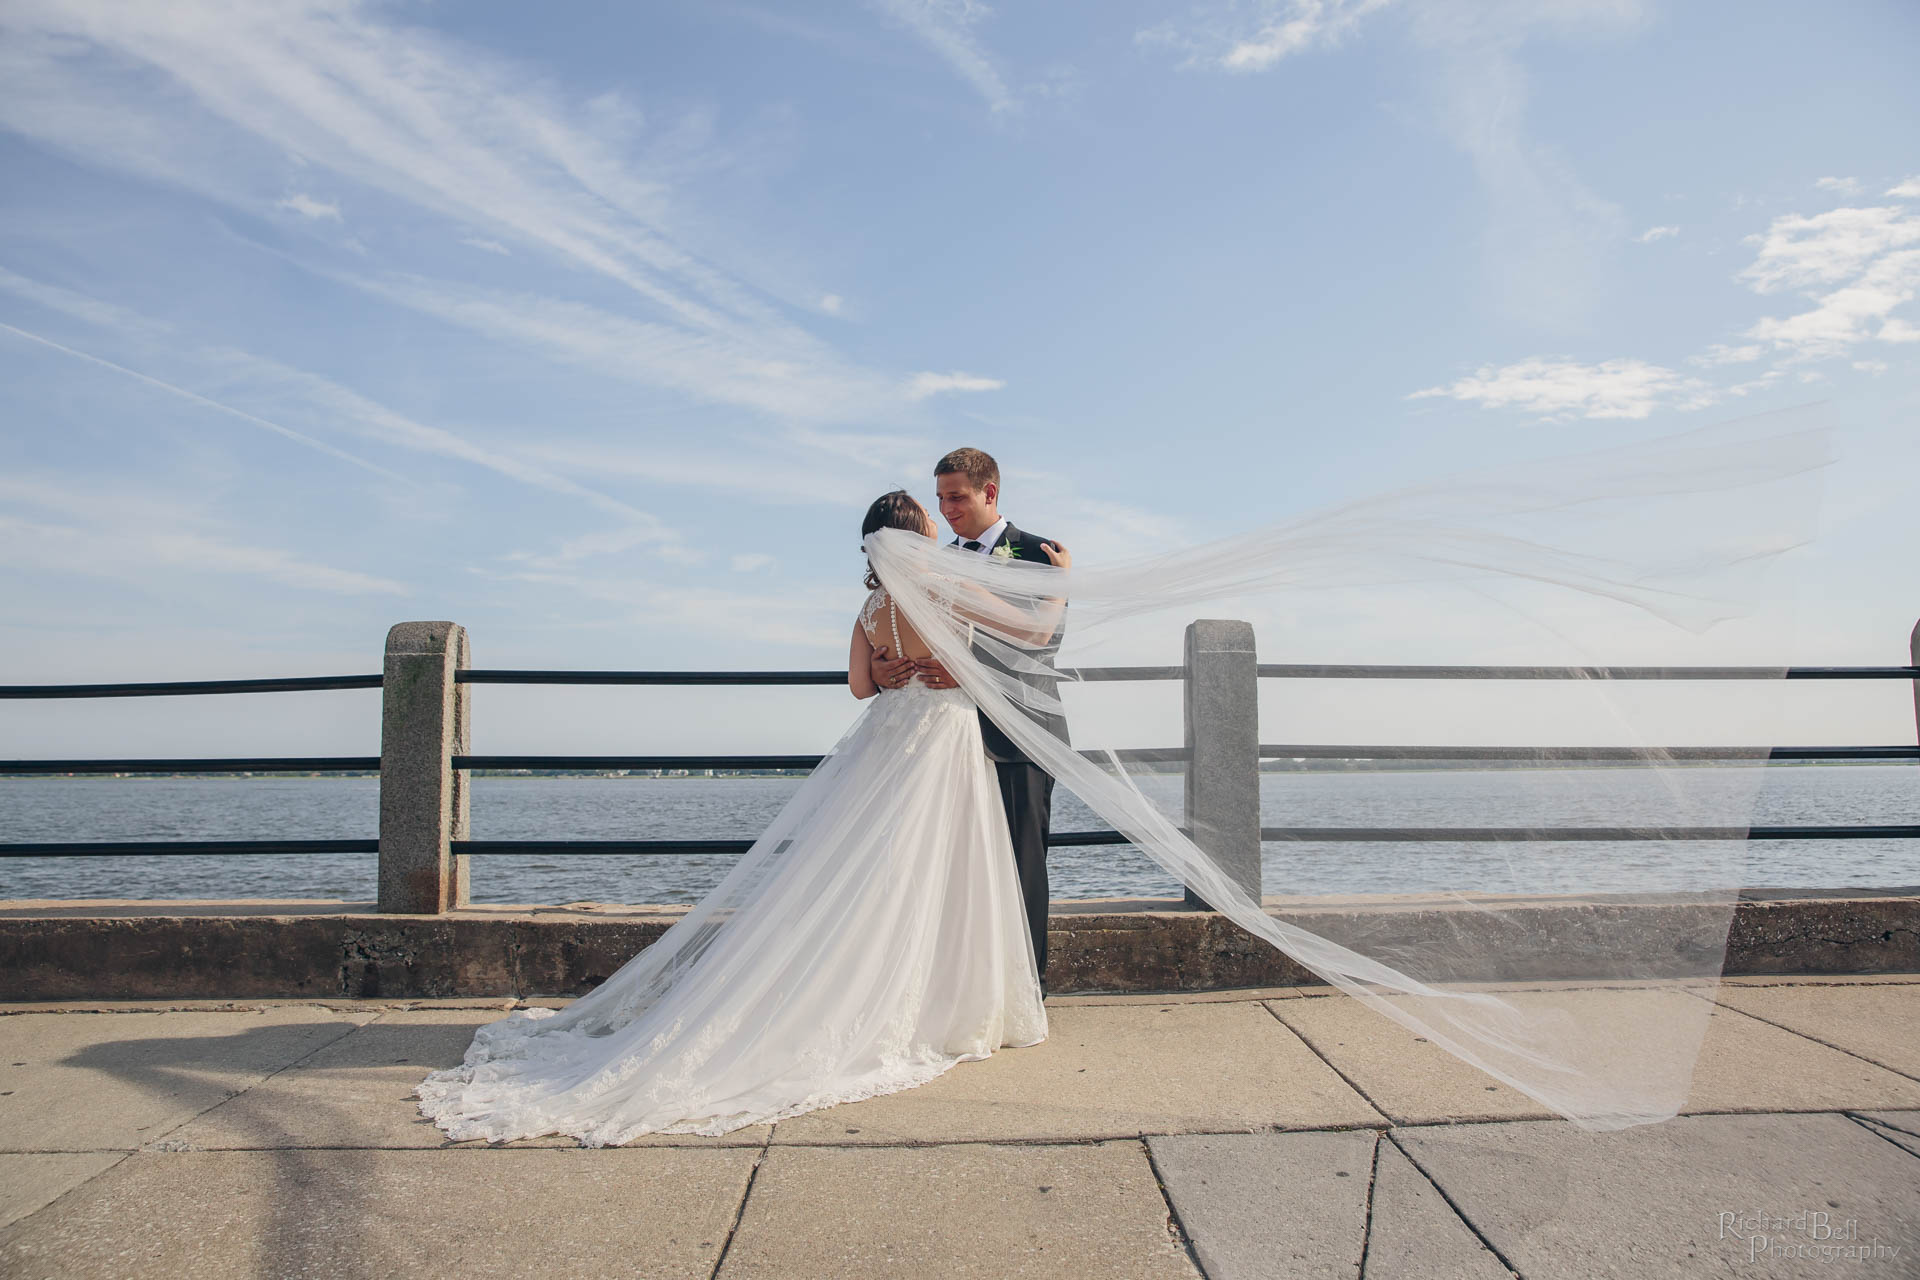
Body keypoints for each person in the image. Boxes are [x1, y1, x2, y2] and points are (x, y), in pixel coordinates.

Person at [416, 490, 1056, 1145]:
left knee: (870, 875)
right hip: (943, 740)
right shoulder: (943, 592)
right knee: (943, 871)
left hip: (888, 740)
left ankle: (884, 995)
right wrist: (1055, 587)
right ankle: (942, 1004)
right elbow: (1024, 636)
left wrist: (897, 671)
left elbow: (862, 687)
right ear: (916, 539)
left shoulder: (872, 607)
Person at [869, 448, 1069, 986]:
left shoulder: (1036, 552)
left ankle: (1027, 989)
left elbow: (1043, 645)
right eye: (939, 499)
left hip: (1016, 732)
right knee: (957, 869)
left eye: (956, 497)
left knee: (1021, 864)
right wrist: (890, 670)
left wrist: (965, 670)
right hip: (942, 738)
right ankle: (964, 986)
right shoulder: (935, 559)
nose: (948, 508)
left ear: (990, 493)